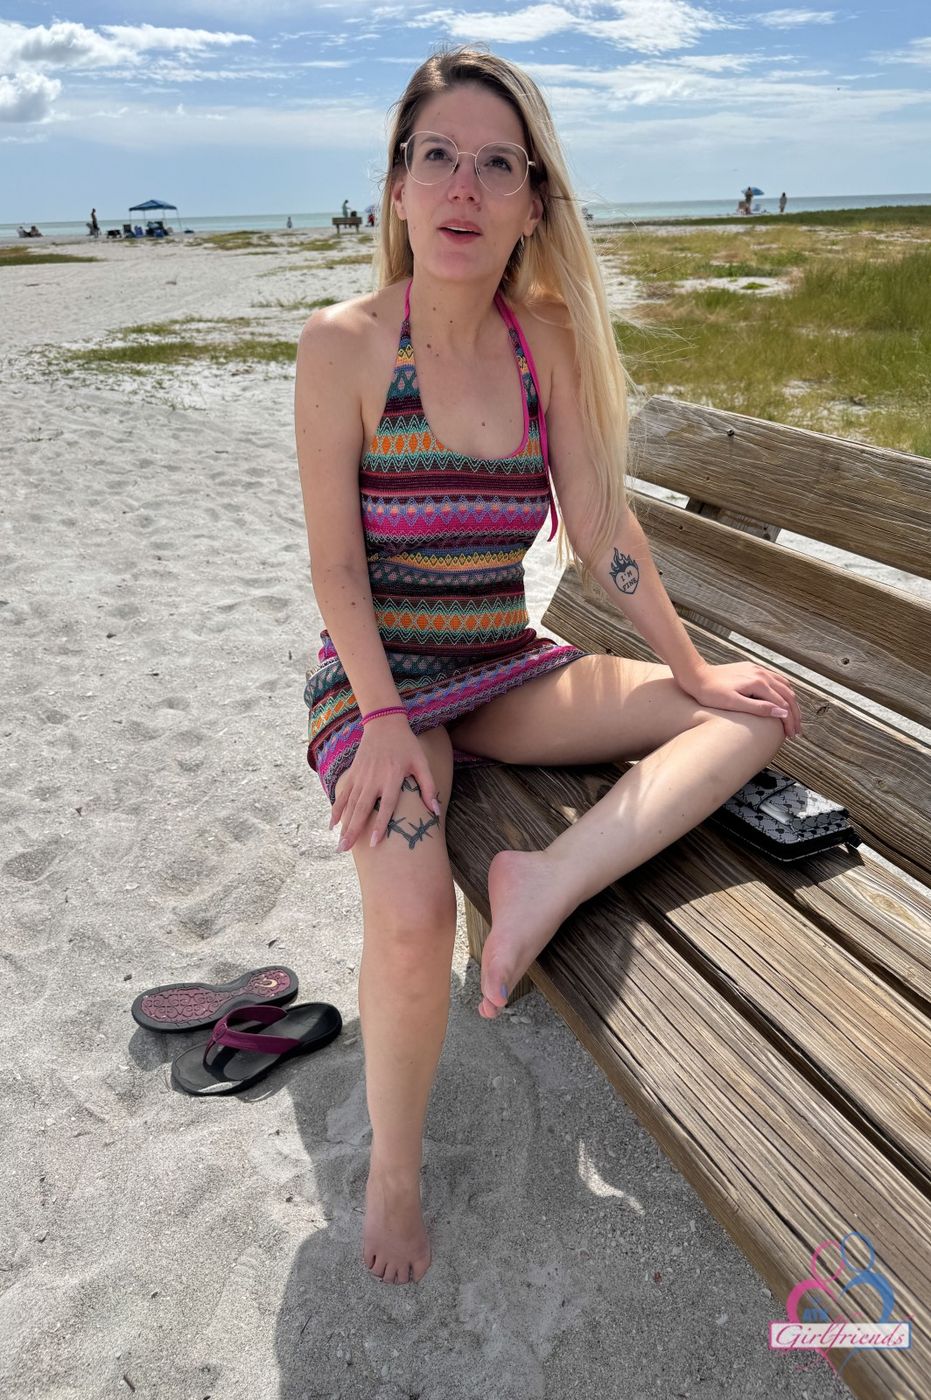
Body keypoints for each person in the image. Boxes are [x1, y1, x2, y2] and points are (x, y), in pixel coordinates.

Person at [295, 44, 801, 1288]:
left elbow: (600, 529)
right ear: (397, 187)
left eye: (496, 164)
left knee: (751, 714)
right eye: (437, 157)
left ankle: (544, 880)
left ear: (532, 201)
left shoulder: (545, 342)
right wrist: (385, 719)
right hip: (378, 685)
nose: (463, 187)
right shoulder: (345, 346)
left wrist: (689, 666)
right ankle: (396, 1168)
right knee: (413, 915)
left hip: (500, 665)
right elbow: (337, 571)